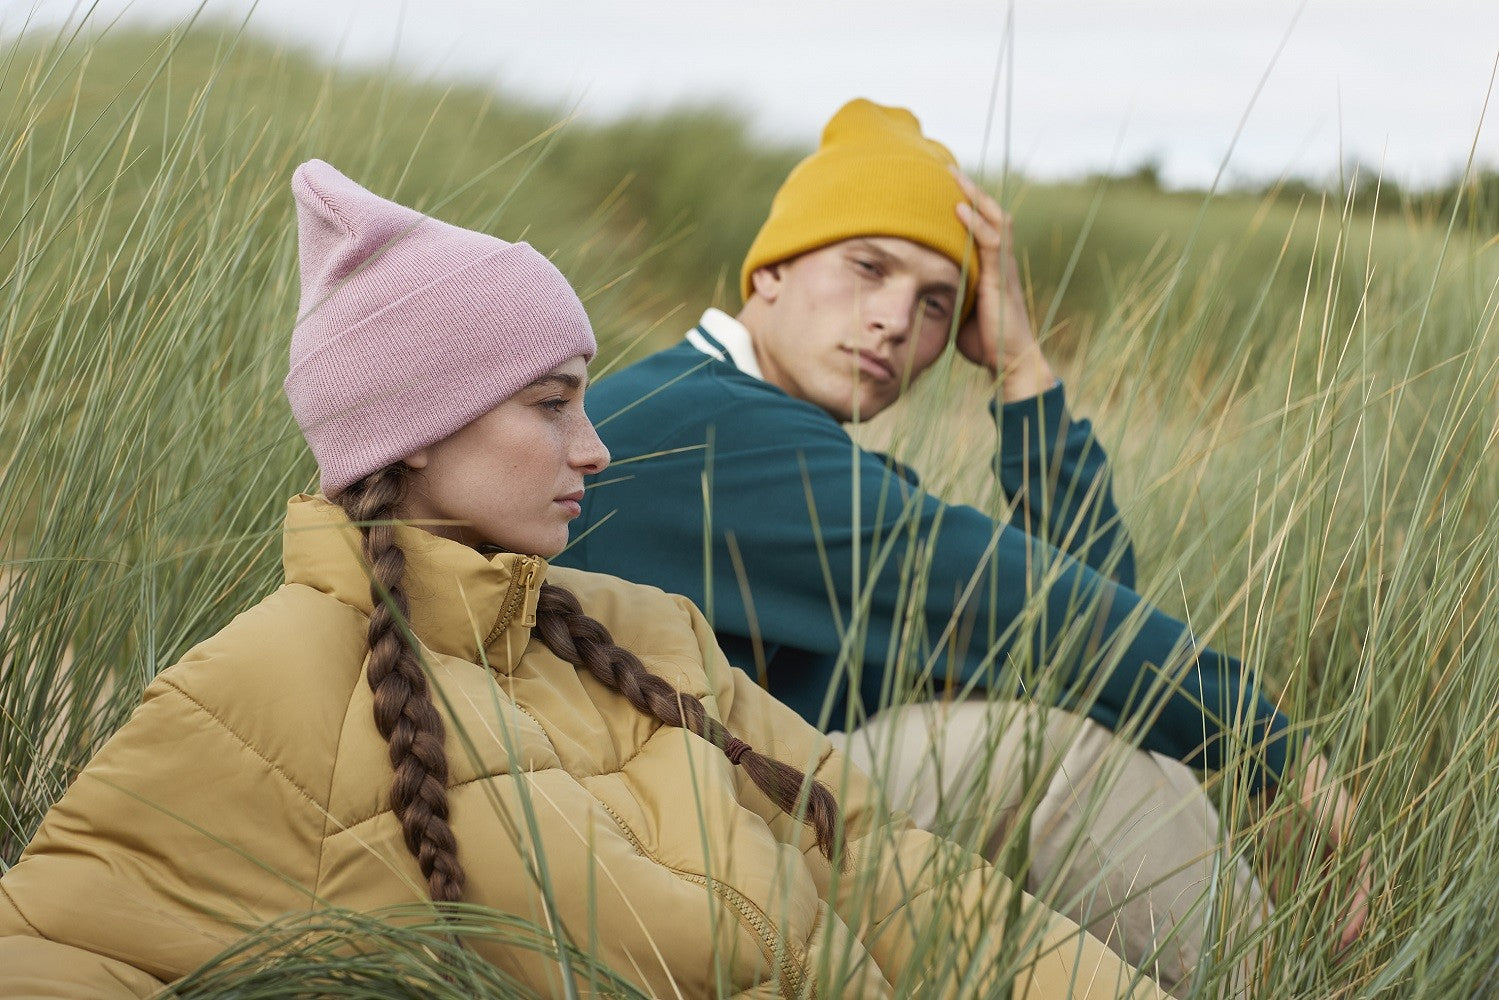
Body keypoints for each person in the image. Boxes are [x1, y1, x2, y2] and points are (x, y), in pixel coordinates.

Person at [0, 160, 1166, 998]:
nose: (597, 449)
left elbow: (885, 860)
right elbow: (59, 946)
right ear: (409, 431)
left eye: (585, 399)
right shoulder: (253, 690)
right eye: (552, 404)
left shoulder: (647, 632)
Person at [557, 99, 1369, 989]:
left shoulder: (755, 426)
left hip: (695, 808)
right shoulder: (713, 427)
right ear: (773, 272)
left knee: (1083, 735)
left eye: (938, 305)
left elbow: (1080, 619)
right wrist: (1268, 748)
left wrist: (1022, 367)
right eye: (868, 268)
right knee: (1052, 762)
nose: (897, 321)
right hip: (639, 839)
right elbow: (1031, 605)